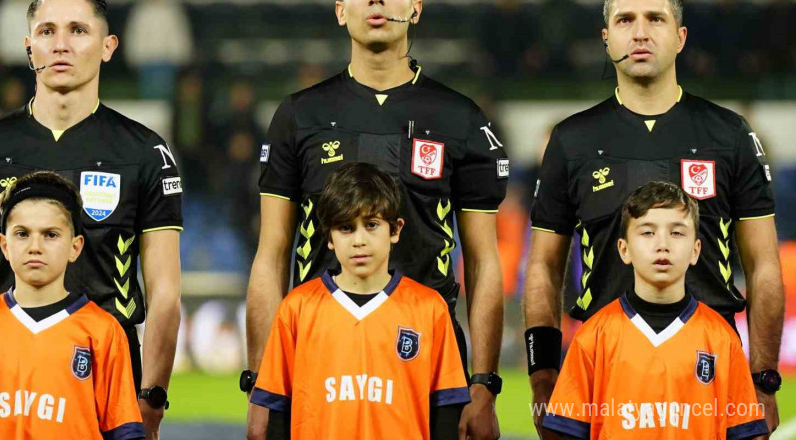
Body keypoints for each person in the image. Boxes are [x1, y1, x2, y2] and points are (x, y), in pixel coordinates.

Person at [245, 1, 509, 439]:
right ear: (340, 11)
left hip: (427, 364)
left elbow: (483, 262)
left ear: (416, 9)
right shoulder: (298, 116)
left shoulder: (459, 118)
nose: (376, 2)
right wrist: (259, 383)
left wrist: (483, 384)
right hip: (319, 360)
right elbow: (271, 255)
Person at [523, 0, 783, 437]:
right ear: (606, 39)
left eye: (655, 19)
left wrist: (763, 379)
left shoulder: (729, 134)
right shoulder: (572, 140)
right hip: (604, 365)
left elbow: (763, 265)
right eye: (625, 20)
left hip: (710, 366)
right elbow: (544, 267)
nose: (640, 33)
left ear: (681, 38)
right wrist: (543, 375)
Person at [0, 1, 183, 437]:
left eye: (78, 31)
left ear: (108, 46)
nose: (61, 45)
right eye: (47, 32)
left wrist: (152, 395)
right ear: (29, 47)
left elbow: (165, 294)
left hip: (108, 382)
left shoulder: (145, 153)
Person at [251, 163, 470, 440]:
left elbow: (445, 413)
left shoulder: (429, 309)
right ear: (329, 236)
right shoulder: (297, 309)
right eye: (345, 228)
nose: (359, 240)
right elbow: (279, 414)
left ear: (395, 229)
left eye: (371, 225)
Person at [541, 182, 768, 440]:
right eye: (648, 233)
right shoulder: (593, 337)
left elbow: (745, 432)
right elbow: (566, 431)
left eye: (677, 233)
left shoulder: (721, 339)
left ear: (695, 251)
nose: (662, 245)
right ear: (624, 250)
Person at [0, 171, 145, 440]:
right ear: (4, 245)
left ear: (75, 247)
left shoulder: (105, 332)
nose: (35, 246)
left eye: (50, 235)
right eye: (22, 234)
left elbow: (123, 431)